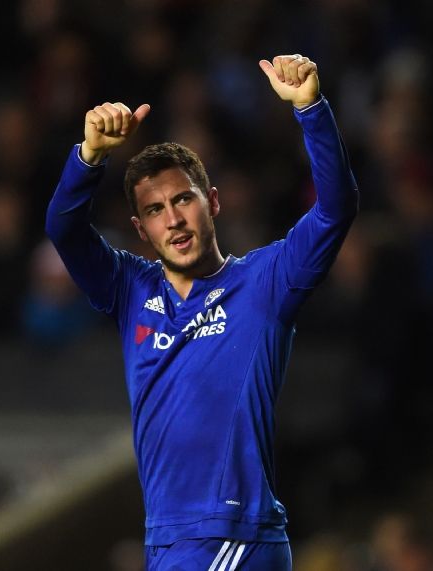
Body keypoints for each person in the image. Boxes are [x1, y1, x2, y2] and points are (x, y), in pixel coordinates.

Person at [45, 54, 358, 570]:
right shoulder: (129, 289)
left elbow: (335, 209)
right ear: (141, 229)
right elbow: (63, 229)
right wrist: (89, 155)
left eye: (182, 200)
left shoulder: (265, 282)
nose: (173, 220)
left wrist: (311, 109)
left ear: (211, 202)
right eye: (155, 210)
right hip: (167, 539)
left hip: (232, 536)